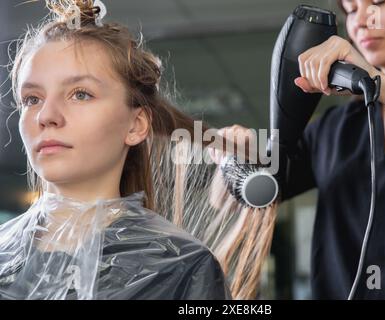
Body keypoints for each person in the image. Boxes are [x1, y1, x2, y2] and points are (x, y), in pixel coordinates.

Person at [212, 0, 385, 299]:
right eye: (351, 10)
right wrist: (235, 159)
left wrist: (381, 85)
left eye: (377, 3)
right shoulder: (334, 129)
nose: (361, 20)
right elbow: (228, 200)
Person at [0, 0, 231, 300]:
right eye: (32, 99)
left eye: (80, 94)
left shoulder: (183, 268)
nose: (46, 116)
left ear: (136, 125)